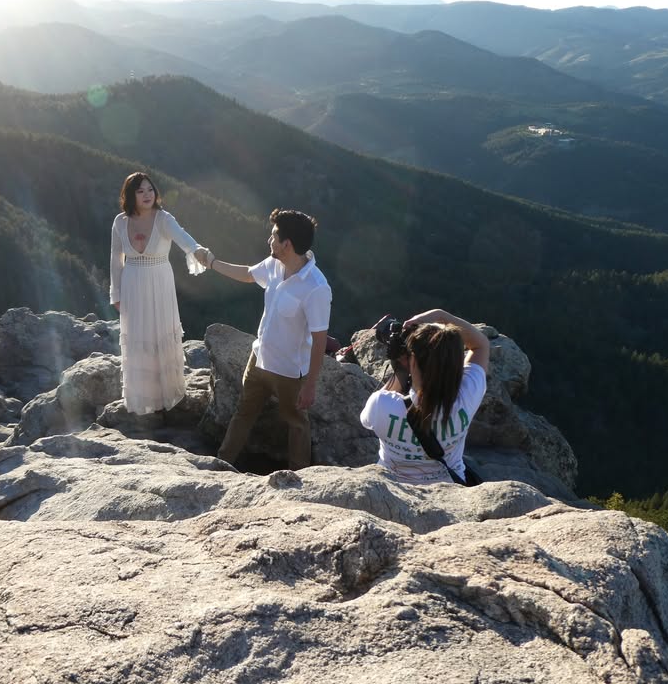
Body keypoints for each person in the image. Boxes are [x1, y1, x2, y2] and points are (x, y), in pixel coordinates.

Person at [201, 209, 331, 470]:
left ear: (287, 244)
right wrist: (212, 263)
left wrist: (310, 385)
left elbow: (320, 341)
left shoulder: (316, 287)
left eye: (273, 236)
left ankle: (301, 479)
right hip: (259, 359)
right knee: (243, 413)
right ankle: (221, 464)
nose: (269, 241)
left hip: (289, 371)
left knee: (296, 423)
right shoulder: (274, 265)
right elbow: (249, 274)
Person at [109, 172, 208, 415]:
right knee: (137, 336)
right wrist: (116, 293)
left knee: (160, 332)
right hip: (132, 283)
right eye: (140, 191)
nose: (147, 195)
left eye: (150, 190)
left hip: (159, 282)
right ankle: (142, 398)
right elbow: (115, 257)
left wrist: (199, 252)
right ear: (130, 195)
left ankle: (168, 394)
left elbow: (184, 239)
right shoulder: (120, 222)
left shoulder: (163, 219)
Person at [359, 309, 490, 485]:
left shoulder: (381, 404)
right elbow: (480, 345)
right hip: (450, 489)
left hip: (394, 490)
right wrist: (442, 317)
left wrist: (401, 369)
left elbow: (367, 419)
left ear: (411, 361)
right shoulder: (467, 396)